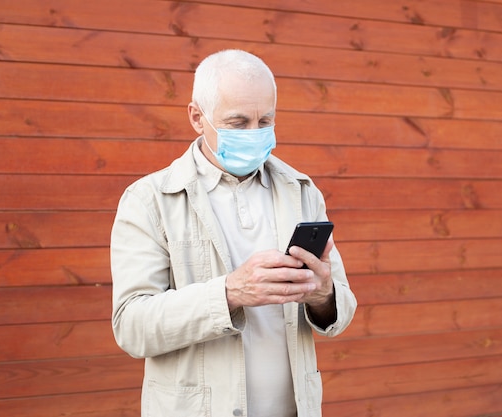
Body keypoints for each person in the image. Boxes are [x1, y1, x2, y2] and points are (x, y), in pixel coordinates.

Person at [110, 49, 357, 417]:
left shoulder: (302, 190)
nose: (254, 134)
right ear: (197, 117)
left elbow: (341, 311)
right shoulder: (150, 200)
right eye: (238, 123)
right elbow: (132, 327)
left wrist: (323, 295)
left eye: (265, 120)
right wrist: (229, 293)